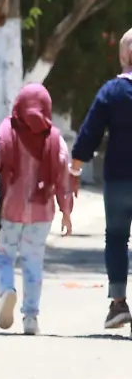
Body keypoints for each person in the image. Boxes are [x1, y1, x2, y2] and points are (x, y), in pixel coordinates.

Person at [0, 84, 73, 335]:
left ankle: (7, 290)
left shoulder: (7, 131)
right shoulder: (55, 139)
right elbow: (63, 181)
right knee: (33, 261)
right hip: (42, 212)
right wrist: (66, 213)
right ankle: (31, 317)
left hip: (9, 209)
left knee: (3, 255)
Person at [70, 27, 132, 330]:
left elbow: (89, 133)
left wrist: (74, 169)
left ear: (122, 56)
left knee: (117, 238)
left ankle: (118, 304)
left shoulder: (112, 92)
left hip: (119, 178)